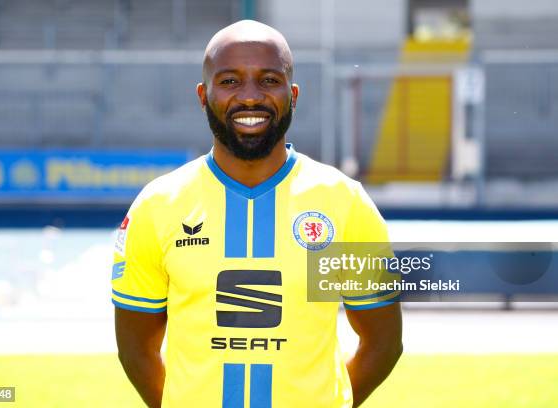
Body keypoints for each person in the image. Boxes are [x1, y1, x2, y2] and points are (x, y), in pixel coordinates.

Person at [112, 20, 402, 408]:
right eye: (230, 81)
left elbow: (383, 343)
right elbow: (136, 351)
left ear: (293, 94)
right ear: (203, 95)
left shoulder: (344, 202)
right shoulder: (158, 205)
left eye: (268, 80)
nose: (250, 97)